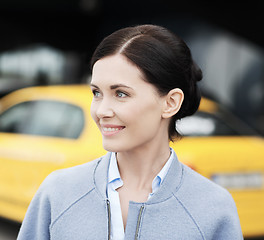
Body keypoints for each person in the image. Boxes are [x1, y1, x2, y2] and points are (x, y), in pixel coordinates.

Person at [17, 24, 242, 240]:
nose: (101, 110)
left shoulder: (213, 207)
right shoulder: (57, 192)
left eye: (121, 94)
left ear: (171, 103)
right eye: (97, 93)